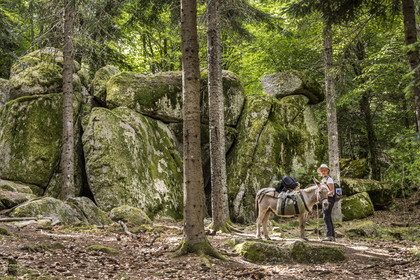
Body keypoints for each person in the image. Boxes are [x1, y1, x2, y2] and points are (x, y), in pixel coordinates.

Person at [317, 163, 336, 241]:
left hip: (329, 199)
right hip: (325, 199)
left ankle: (329, 236)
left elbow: (332, 191)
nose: (323, 172)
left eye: (324, 170)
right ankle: (332, 236)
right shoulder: (322, 180)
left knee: (326, 217)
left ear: (327, 171)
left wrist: (325, 196)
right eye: (322, 171)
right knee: (328, 217)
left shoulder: (329, 179)